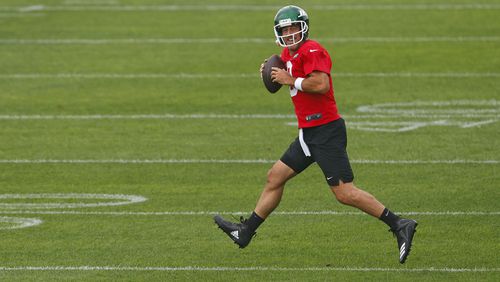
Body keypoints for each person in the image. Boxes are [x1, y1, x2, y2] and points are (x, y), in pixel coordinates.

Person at [214, 5, 418, 264]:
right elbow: (282, 69)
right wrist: (268, 70)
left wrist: (291, 80)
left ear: (304, 28)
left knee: (344, 193)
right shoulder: (287, 54)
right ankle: (245, 231)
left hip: (325, 132)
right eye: (284, 30)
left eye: (293, 28)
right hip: (308, 134)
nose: (289, 34)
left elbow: (321, 84)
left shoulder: (313, 50)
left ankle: (400, 224)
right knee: (275, 177)